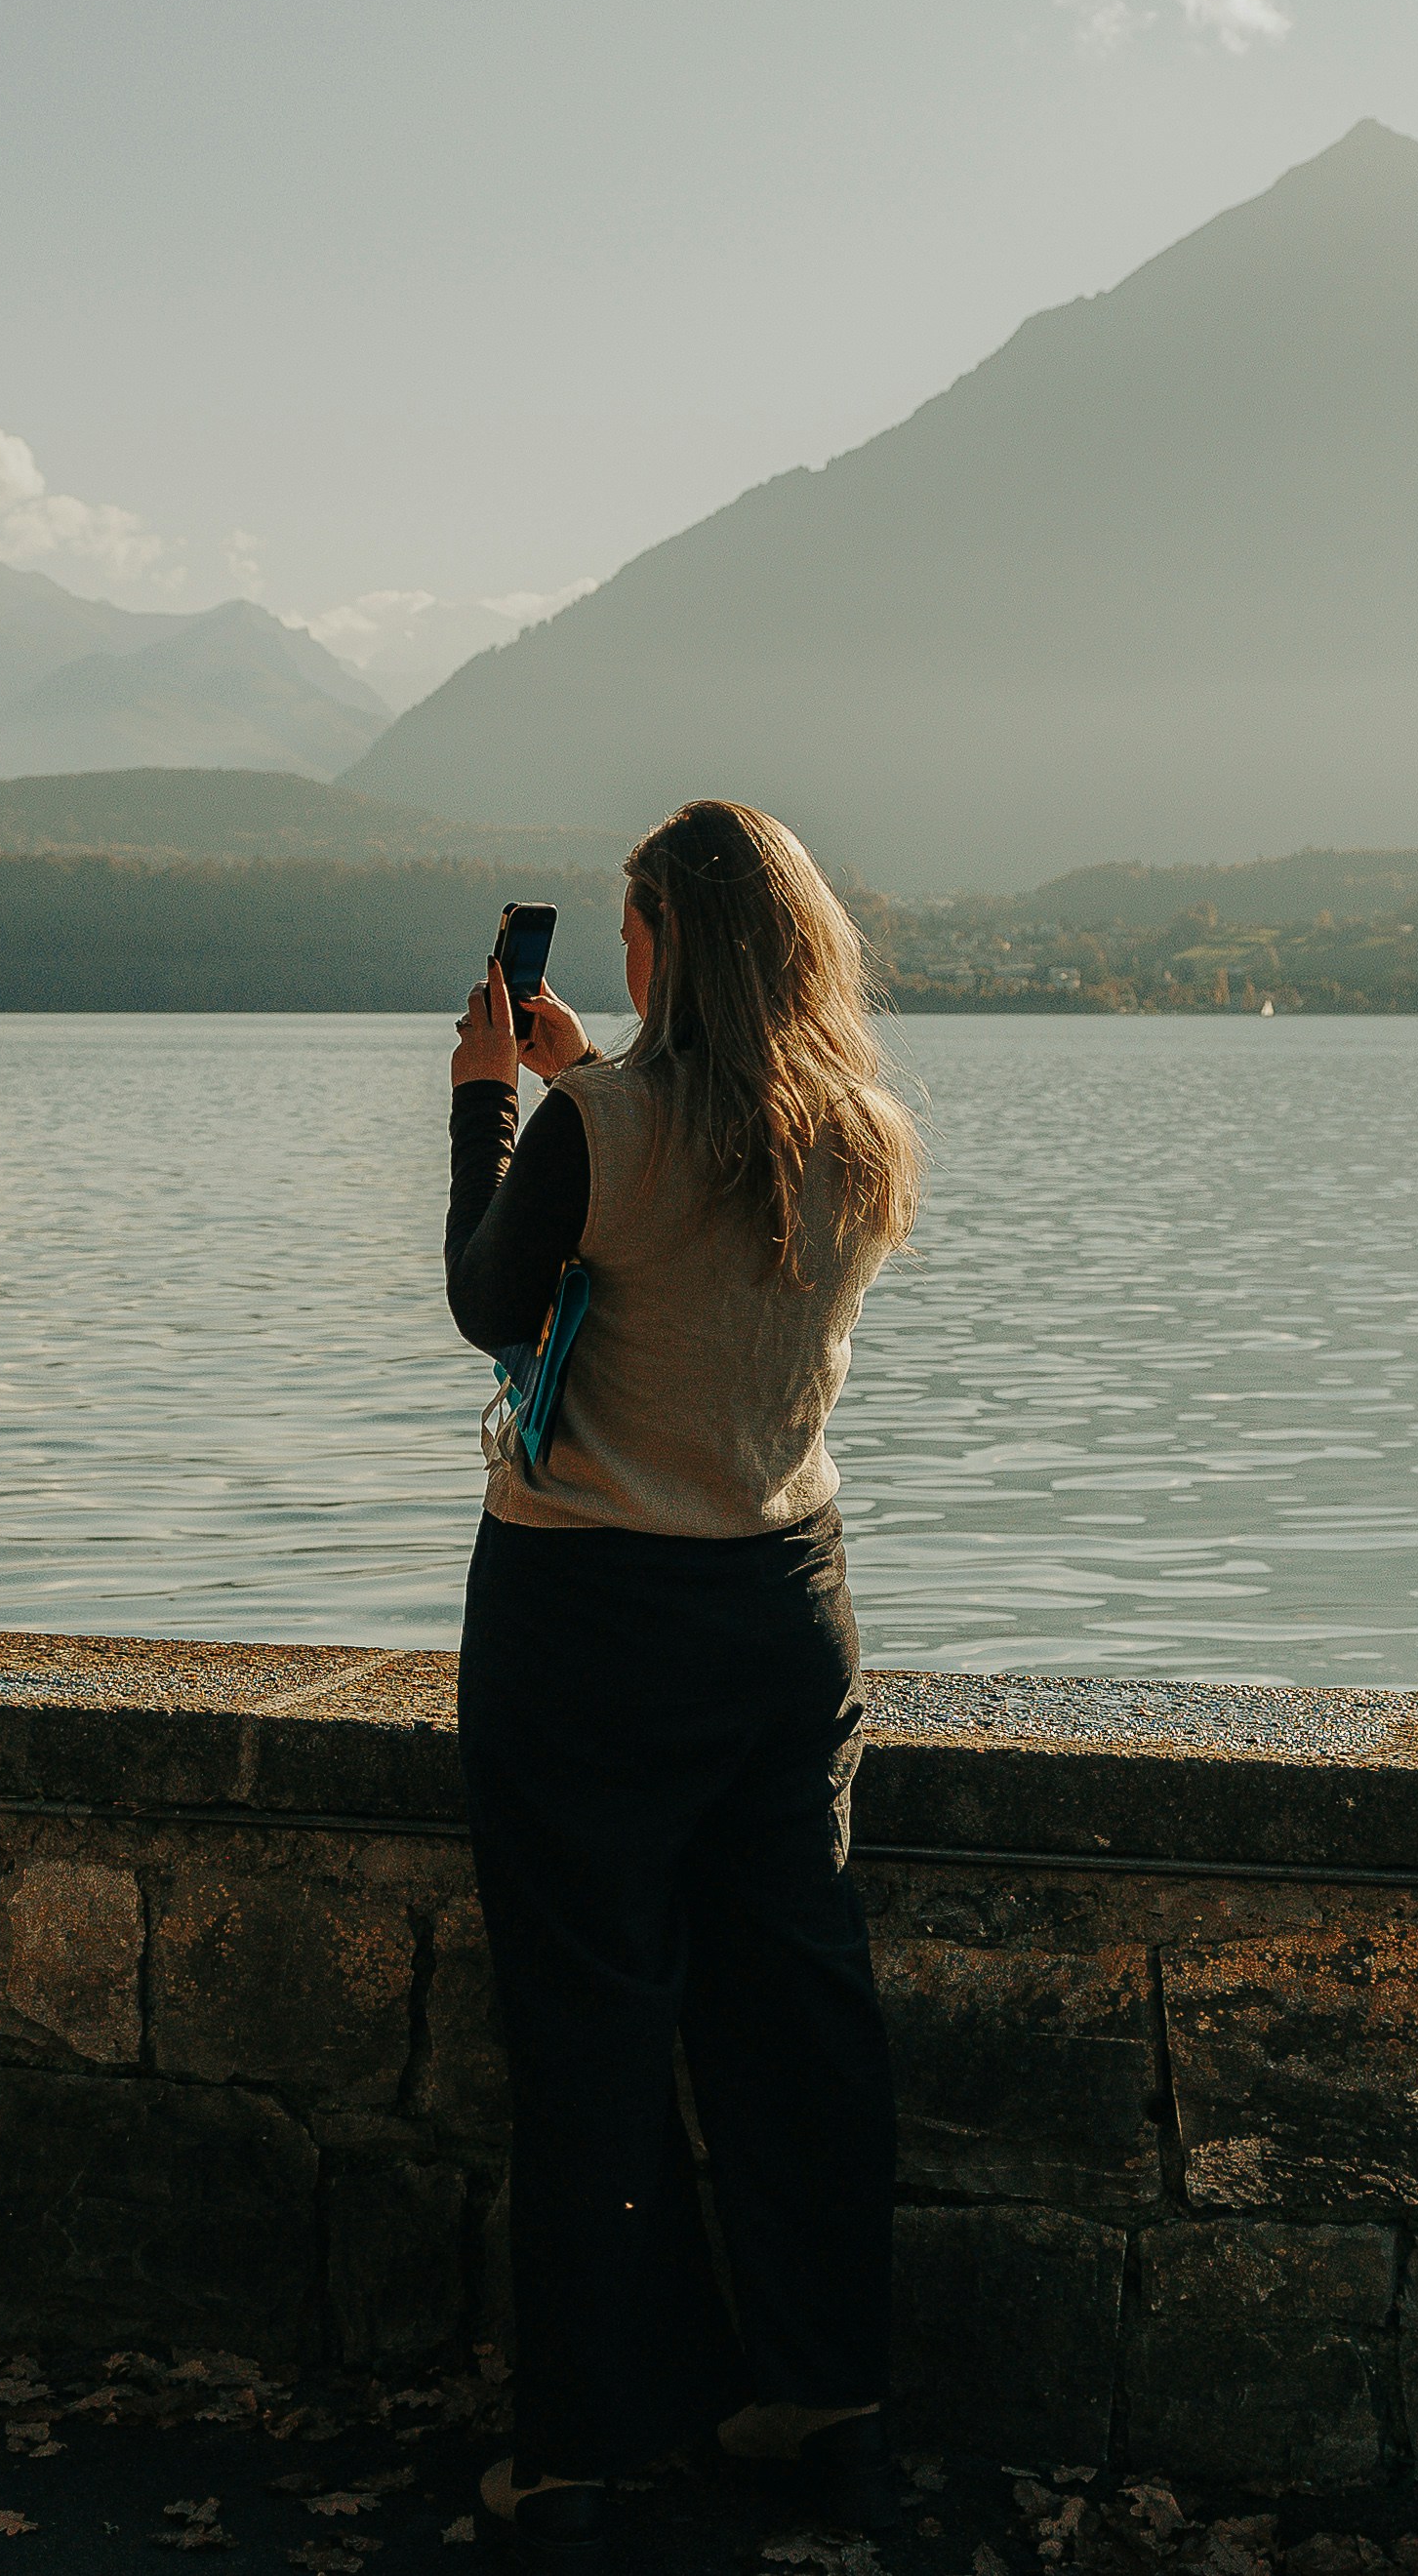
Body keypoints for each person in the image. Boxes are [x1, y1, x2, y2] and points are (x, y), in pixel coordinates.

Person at [441, 798, 919, 2552]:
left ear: (663, 946)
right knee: (793, 2020)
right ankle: (829, 2412)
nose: (623, 956)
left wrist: (489, 1101)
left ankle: (581, 2452)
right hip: (784, 1608)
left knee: (589, 2025)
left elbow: (489, 1302)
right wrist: (586, 1073)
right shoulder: (860, 1130)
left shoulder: (595, 1127)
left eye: (634, 930)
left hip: (588, 1619)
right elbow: (697, 1214)